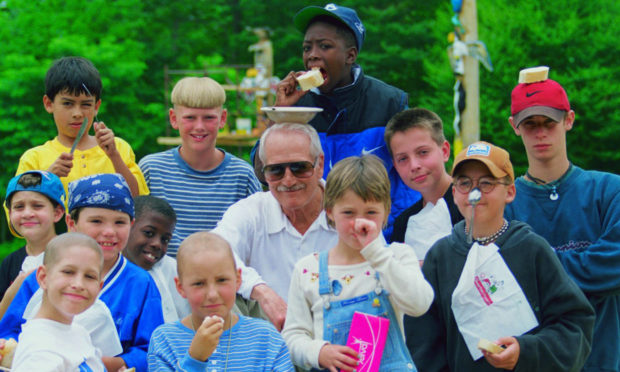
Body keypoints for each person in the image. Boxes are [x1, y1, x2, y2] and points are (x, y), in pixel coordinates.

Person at [409, 142, 595, 371]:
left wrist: (525, 352)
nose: (474, 193)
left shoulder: (532, 249)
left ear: (510, 192)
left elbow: (575, 325)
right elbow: (423, 341)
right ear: (455, 192)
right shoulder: (440, 257)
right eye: (465, 183)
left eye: (486, 183)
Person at [267, 3, 420, 241]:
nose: (312, 55)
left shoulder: (390, 102)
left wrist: (394, 229)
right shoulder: (295, 104)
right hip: (313, 238)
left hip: (379, 238)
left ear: (350, 55)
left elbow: (412, 174)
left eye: (325, 46)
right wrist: (282, 114)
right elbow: (263, 169)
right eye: (307, 48)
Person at [504, 69, 620, 372]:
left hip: (602, 360)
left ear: (568, 120)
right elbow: (502, 286)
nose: (540, 132)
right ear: (514, 127)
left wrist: (536, 268)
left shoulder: (610, 190)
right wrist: (585, 268)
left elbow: (614, 267)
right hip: (533, 362)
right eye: (530, 124)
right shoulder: (505, 203)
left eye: (549, 122)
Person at [282, 155, 434, 371]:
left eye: (371, 212)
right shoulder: (308, 270)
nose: (360, 223)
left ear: (386, 212)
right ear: (330, 212)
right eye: (348, 213)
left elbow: (420, 304)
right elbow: (292, 336)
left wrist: (376, 253)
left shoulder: (398, 256)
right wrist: (319, 352)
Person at [0, 173, 164, 372]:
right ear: (71, 223)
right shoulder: (39, 277)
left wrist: (109, 363)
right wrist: (8, 346)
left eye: (119, 222)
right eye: (96, 221)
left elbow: (153, 349)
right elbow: (10, 330)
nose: (109, 231)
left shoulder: (141, 283)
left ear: (131, 225)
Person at [212, 123, 339, 331]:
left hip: (336, 343)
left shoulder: (350, 212)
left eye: (300, 167)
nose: (288, 180)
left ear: (320, 164)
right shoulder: (251, 211)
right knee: (219, 291)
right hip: (268, 347)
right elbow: (210, 252)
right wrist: (261, 290)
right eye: (276, 170)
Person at [139, 76, 261, 256]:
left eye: (209, 118)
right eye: (190, 117)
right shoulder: (152, 169)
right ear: (174, 118)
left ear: (222, 118)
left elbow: (257, 237)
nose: (199, 126)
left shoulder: (242, 176)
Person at [148, 231, 294, 371]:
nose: (212, 294)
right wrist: (195, 359)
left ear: (238, 279)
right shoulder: (165, 340)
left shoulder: (266, 338)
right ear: (180, 287)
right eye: (199, 283)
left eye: (222, 280)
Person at [16, 56, 148, 197]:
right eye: (68, 103)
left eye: (86, 104)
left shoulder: (119, 148)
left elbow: (139, 200)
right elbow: (19, 210)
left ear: (96, 107)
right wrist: (49, 177)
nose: (78, 114)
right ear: (48, 104)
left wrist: (114, 156)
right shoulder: (33, 158)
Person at [8, 233, 106, 371]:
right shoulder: (39, 353)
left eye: (90, 276)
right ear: (43, 277)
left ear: (99, 287)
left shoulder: (79, 331)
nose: (78, 284)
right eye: (68, 272)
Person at [386, 108, 464, 258]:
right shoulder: (403, 223)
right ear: (395, 166)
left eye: (423, 152)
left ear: (445, 151)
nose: (414, 165)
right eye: (403, 159)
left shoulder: (470, 207)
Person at [123, 195, 191, 323]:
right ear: (128, 225)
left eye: (165, 240)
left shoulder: (174, 270)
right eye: (149, 233)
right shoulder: (105, 266)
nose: (157, 244)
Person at [1, 171, 65, 304]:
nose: (27, 213)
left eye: (37, 206)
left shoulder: (73, 256)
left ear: (57, 213)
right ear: (10, 213)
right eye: (19, 207)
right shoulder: (9, 263)